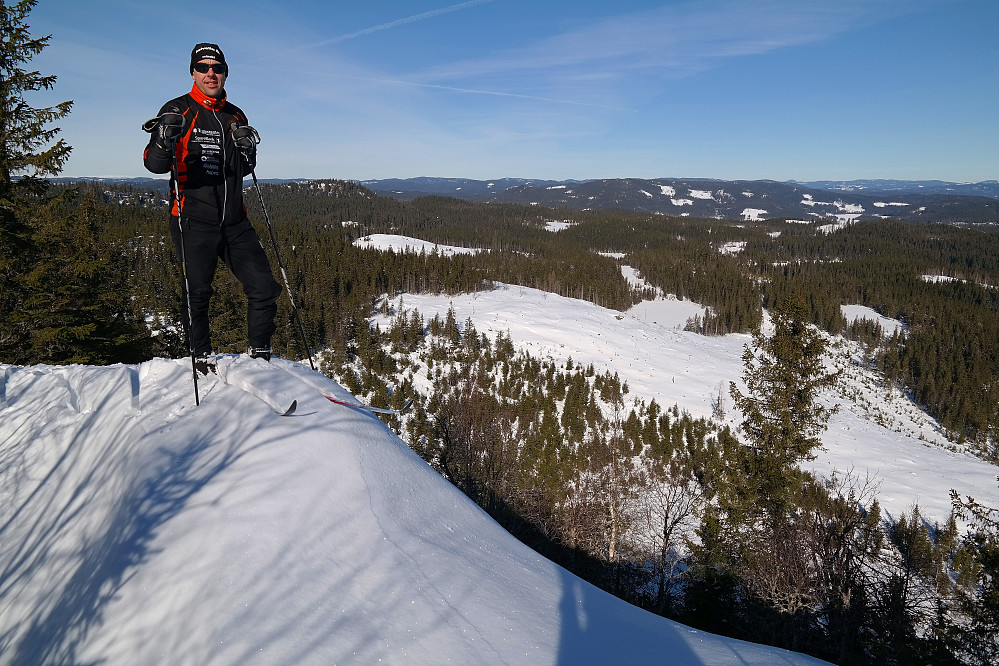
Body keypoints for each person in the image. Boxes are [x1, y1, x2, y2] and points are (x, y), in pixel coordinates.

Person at [143, 43, 281, 374]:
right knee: (198, 295)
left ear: (225, 73)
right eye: (203, 67)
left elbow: (244, 168)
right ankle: (202, 360)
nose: (210, 73)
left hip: (234, 221)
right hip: (192, 219)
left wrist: (248, 151)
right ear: (193, 72)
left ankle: (260, 359)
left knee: (264, 288)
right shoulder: (178, 110)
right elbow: (154, 164)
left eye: (217, 68)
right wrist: (163, 138)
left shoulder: (236, 115)